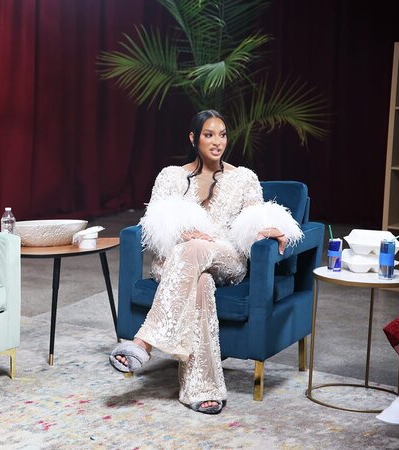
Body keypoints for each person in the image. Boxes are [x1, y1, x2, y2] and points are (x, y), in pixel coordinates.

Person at [109, 110, 304, 414]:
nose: (217, 142)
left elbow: (254, 218)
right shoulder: (171, 176)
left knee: (201, 248)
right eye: (209, 135)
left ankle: (144, 342)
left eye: (222, 134)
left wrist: (266, 228)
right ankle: (201, 388)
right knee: (201, 284)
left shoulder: (243, 178)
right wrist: (182, 232)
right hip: (178, 261)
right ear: (193, 138)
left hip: (225, 258)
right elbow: (155, 225)